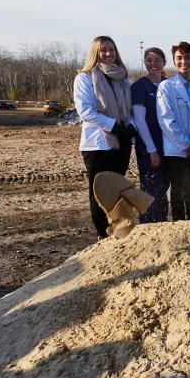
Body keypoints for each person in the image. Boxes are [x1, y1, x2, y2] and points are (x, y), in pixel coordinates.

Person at [73, 35, 135, 239]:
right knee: (100, 192)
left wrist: (129, 128)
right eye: (103, 50)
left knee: (117, 190)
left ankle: (117, 229)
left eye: (112, 49)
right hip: (98, 144)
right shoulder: (85, 77)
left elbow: (129, 109)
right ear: (95, 53)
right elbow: (86, 112)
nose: (108, 54)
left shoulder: (123, 78)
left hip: (121, 144)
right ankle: (103, 234)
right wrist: (115, 127)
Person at [157, 41, 190, 221]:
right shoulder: (167, 87)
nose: (184, 62)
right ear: (174, 61)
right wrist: (186, 145)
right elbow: (166, 120)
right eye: (179, 58)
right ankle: (179, 227)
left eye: (188, 57)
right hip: (176, 150)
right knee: (177, 192)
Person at [131, 47, 169, 223]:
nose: (153, 64)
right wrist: (151, 150)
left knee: (162, 190)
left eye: (157, 60)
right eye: (149, 60)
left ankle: (161, 226)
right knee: (150, 190)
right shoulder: (140, 87)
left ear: (164, 63)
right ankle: (147, 228)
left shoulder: (168, 84)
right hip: (149, 148)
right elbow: (140, 121)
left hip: (168, 146)